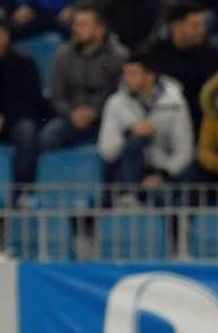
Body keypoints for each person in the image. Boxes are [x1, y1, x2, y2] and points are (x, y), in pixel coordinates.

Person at [98, 53, 194, 195]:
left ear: (150, 76)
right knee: (134, 142)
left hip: (162, 171)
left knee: (168, 192)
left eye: (132, 74)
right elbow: (107, 150)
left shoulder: (175, 104)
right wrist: (130, 132)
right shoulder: (115, 103)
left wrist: (162, 175)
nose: (126, 79)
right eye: (125, 74)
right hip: (123, 172)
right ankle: (130, 196)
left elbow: (185, 150)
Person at [39, 4, 125, 152]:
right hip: (70, 117)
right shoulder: (63, 55)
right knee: (48, 136)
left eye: (83, 25)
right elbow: (57, 95)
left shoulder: (117, 57)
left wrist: (94, 113)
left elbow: (118, 95)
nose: (76, 29)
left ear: (100, 29)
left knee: (117, 141)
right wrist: (72, 113)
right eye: (76, 24)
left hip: (105, 119)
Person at [145, 1, 218, 132]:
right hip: (163, 116)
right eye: (194, 26)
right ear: (176, 26)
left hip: (199, 118)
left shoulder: (211, 55)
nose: (201, 30)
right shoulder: (156, 52)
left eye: (202, 25)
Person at [0, 11, 45, 192]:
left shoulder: (24, 63)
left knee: (27, 130)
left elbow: (33, 103)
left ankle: (23, 192)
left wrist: (6, 117)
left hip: (15, 121)